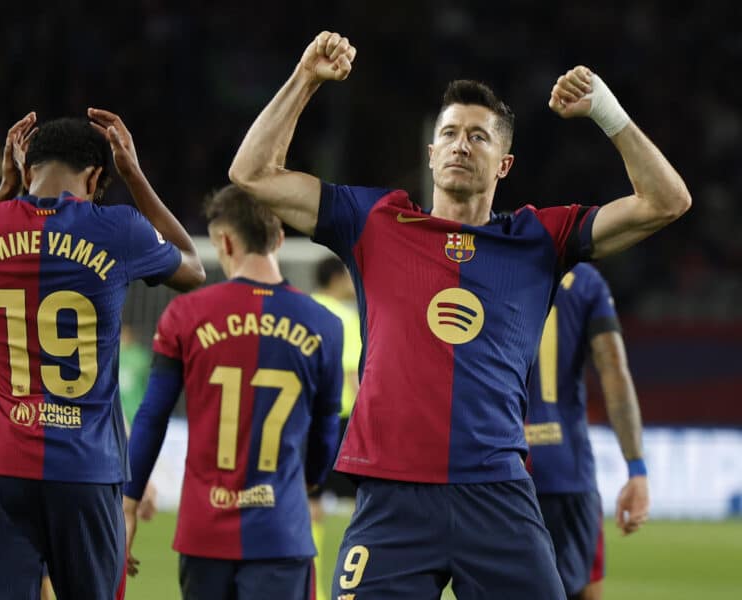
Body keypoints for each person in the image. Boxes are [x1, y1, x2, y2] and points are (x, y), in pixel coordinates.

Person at [229, 30, 690, 599]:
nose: (460, 146)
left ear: (504, 163)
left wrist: (606, 111)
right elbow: (251, 172)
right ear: (431, 153)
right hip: (392, 497)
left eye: (478, 136)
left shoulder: (540, 237)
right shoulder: (375, 220)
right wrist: (305, 80)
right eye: (448, 133)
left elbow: (667, 201)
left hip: (496, 495)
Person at [0, 109, 205, 600]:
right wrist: (137, 178)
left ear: (24, 166)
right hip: (87, 469)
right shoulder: (119, 229)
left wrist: (2, 192)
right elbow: (194, 269)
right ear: (98, 175)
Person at [122, 184, 343, 600]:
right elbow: (326, 431)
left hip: (204, 533)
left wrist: (131, 502)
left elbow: (153, 415)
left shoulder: (185, 314)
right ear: (279, 239)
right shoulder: (324, 325)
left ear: (223, 241)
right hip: (281, 529)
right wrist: (310, 479)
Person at [527, 263, 649, 599]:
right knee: (583, 590)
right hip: (565, 467)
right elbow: (613, 368)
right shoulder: (585, 280)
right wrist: (636, 468)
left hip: (495, 468)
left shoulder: (490, 262)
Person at [306, 256, 361, 600]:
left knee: (310, 504)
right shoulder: (346, 316)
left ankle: (313, 590)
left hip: (305, 417)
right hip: (341, 420)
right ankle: (357, 586)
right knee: (366, 506)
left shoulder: (307, 308)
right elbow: (353, 375)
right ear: (337, 278)